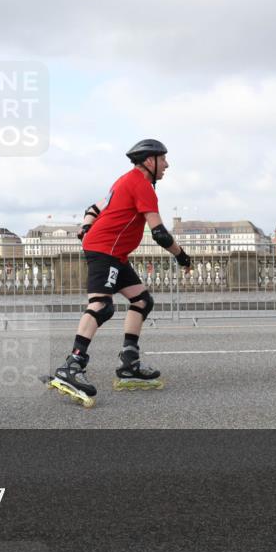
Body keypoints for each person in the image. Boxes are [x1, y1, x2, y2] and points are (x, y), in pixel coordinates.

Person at [46, 139, 192, 407]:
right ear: (150, 160)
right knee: (101, 306)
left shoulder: (123, 181)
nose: (167, 165)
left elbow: (94, 207)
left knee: (142, 300)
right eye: (164, 159)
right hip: (106, 250)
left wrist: (87, 228)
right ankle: (72, 365)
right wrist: (181, 256)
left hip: (113, 252)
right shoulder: (142, 185)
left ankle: (129, 363)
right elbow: (159, 233)